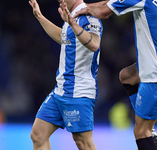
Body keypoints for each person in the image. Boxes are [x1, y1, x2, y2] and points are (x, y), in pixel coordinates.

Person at [74, 0, 157, 150]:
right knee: (127, 76)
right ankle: (149, 127)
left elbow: (103, 13)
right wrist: (90, 6)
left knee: (141, 132)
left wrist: (83, 10)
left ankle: (148, 131)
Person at [29, 0, 103, 149]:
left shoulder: (89, 16)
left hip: (78, 91)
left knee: (83, 142)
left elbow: (94, 44)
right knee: (38, 135)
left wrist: (72, 24)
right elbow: (63, 38)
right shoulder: (71, 16)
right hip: (61, 89)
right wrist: (40, 16)